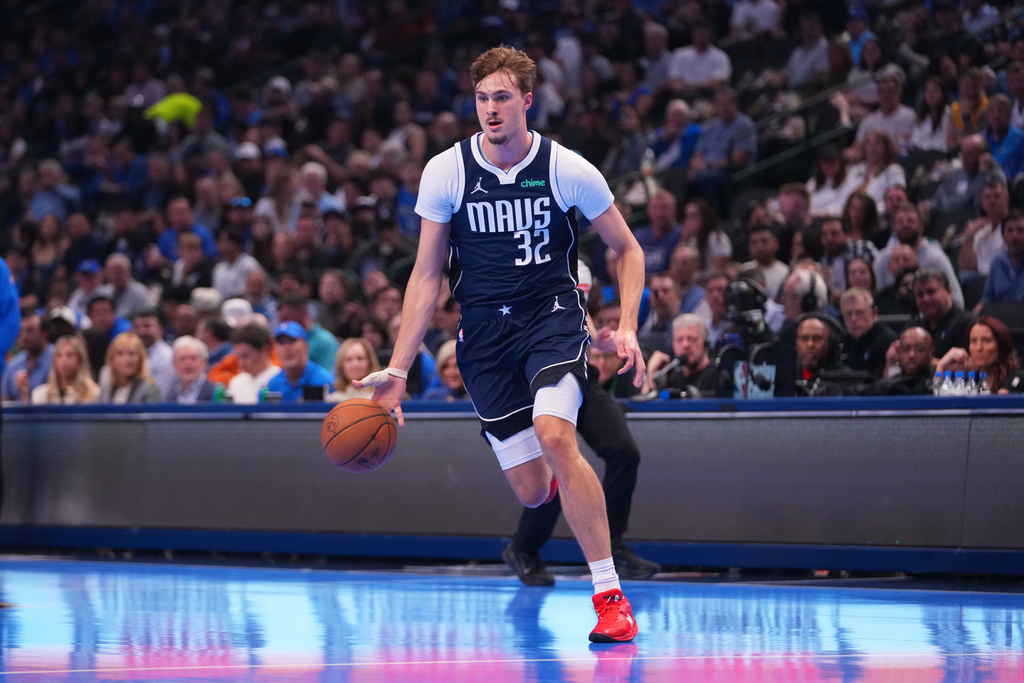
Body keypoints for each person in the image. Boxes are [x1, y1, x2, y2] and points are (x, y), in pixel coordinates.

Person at [356, 46, 646, 644]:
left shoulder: (567, 167)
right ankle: (576, 488)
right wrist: (397, 367)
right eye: (482, 98)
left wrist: (631, 325)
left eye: (503, 97)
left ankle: (609, 597)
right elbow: (426, 274)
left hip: (552, 317)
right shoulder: (446, 170)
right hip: (484, 336)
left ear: (527, 101)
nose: (490, 109)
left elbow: (629, 249)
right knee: (536, 489)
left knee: (556, 436)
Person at [935, 316, 1024, 393]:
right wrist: (941, 365)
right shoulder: (971, 380)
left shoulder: (1017, 377)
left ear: (1001, 346)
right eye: (973, 341)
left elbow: (999, 403)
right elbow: (938, 399)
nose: (979, 348)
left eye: (986, 340)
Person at [642, 313, 717, 396]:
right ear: (673, 345)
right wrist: (651, 373)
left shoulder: (718, 376)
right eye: (679, 340)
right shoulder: (671, 380)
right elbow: (645, 401)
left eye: (692, 339)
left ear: (706, 343)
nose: (685, 345)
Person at [912, 268, 974, 359]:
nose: (925, 299)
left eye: (931, 292)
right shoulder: (913, 328)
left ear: (948, 291)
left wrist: (921, 362)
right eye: (920, 294)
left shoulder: (968, 324)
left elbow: (967, 367)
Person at [265, 322, 333, 402]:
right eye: (281, 342)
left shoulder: (326, 382)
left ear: (306, 346)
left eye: (292, 341)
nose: (287, 348)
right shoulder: (273, 385)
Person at [839, 287, 897, 380]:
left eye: (859, 313)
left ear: (874, 312)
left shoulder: (886, 341)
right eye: (848, 314)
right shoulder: (839, 342)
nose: (853, 319)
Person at [860, 326, 935, 395]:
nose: (912, 355)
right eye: (906, 349)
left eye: (920, 350)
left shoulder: (941, 383)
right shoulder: (889, 385)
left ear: (931, 354)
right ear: (898, 353)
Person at [30, 335, 100, 404]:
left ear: (80, 360)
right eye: (59, 355)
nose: (64, 360)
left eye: (69, 355)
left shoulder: (93, 394)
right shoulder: (40, 395)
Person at [2, 311, 54, 402]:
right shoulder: (14, 364)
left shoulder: (59, 359)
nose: (25, 337)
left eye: (30, 330)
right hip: (16, 416)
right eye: (22, 331)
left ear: (44, 333)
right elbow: (5, 402)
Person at [98, 332, 162, 403]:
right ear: (112, 359)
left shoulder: (150, 389)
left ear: (141, 358)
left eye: (131, 354)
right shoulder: (106, 389)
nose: (126, 359)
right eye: (120, 354)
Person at [226, 322, 281, 404]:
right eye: (238, 357)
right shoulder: (235, 383)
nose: (241, 362)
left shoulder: (279, 379)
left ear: (265, 349)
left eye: (246, 356)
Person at [979, 209, 1024, 308]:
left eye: (1020, 230)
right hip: (1002, 318)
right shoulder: (997, 262)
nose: (1015, 236)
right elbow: (987, 299)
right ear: (1003, 236)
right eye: (1010, 230)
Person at [327, 338, 380, 402]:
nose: (355, 364)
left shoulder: (380, 398)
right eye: (349, 359)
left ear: (370, 363)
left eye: (360, 358)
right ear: (341, 366)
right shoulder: (332, 400)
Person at [165, 336, 214, 403]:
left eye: (193, 358)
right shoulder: (170, 394)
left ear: (204, 362)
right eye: (182, 359)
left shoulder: (214, 392)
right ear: (175, 365)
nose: (188, 364)